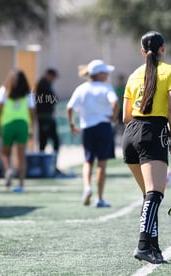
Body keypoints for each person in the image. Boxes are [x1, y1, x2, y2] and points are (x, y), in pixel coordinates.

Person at [122, 31, 171, 264]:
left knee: (149, 196)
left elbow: (126, 116)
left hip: (130, 134)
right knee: (155, 195)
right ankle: (144, 246)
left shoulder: (133, 75)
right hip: (153, 131)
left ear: (141, 52)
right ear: (163, 48)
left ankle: (153, 248)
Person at [67, 59, 118, 207]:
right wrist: (113, 118)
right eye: (105, 72)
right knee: (102, 163)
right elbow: (115, 103)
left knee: (88, 161)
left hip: (87, 128)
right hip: (104, 127)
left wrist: (72, 125)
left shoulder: (81, 88)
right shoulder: (106, 88)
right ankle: (100, 198)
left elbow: (70, 108)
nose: (108, 74)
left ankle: (87, 187)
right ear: (100, 74)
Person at [0, 69, 35, 192]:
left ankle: (8, 171)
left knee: (5, 153)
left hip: (7, 125)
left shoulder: (4, 91)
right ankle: (21, 185)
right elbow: (32, 113)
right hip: (23, 125)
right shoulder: (29, 94)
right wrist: (31, 128)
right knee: (21, 156)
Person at [34, 68, 61, 174]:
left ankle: (50, 165)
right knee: (44, 142)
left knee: (52, 142)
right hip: (44, 117)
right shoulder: (42, 84)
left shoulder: (46, 84)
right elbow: (49, 98)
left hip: (47, 116)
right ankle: (44, 167)